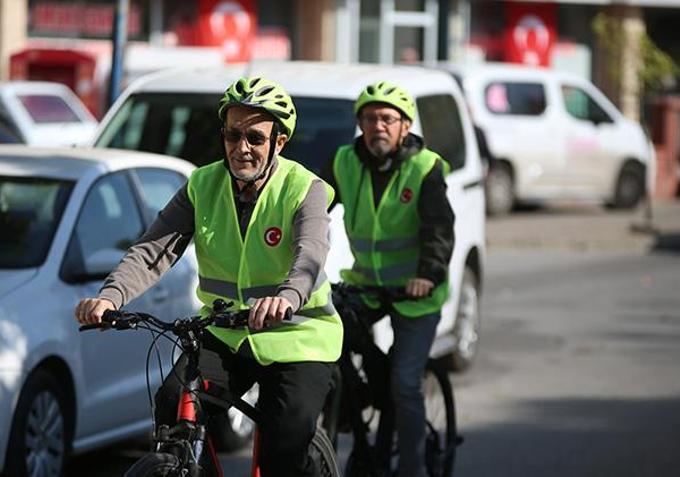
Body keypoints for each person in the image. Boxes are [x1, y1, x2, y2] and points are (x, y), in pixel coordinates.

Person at [75, 76, 342, 477]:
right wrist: (111, 297)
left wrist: (287, 296)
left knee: (283, 444)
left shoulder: (304, 189)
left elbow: (311, 254)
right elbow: (153, 250)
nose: (242, 148)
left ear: (279, 142)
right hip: (228, 333)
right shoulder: (202, 184)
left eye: (255, 137)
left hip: (298, 337)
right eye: (233, 135)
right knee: (173, 403)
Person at [321, 81, 455, 477]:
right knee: (328, 346)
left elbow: (439, 230)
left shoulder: (425, 168)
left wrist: (427, 275)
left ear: (405, 125)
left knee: (405, 384)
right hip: (366, 285)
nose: (377, 126)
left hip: (415, 291)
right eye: (369, 118)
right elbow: (314, 209)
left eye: (386, 118)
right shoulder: (345, 161)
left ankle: (411, 470)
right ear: (360, 124)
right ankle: (361, 402)